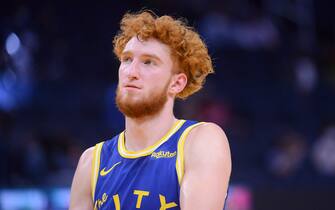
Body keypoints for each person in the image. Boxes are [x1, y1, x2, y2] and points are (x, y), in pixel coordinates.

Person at [69, 11, 231, 210]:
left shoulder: (200, 141)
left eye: (148, 62)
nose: (131, 72)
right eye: (127, 60)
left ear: (177, 83)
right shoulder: (91, 161)